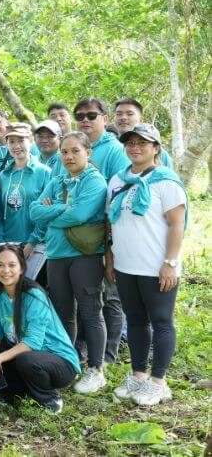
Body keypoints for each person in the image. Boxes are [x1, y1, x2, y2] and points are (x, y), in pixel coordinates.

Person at [107, 123, 187, 406]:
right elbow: (112, 223)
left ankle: (158, 382)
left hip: (156, 267)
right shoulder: (118, 181)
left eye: (142, 142)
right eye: (130, 143)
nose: (135, 147)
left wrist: (171, 262)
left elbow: (177, 224)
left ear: (156, 148)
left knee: (162, 322)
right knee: (137, 321)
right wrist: (111, 259)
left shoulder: (166, 180)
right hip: (127, 266)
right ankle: (138, 374)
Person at [30, 131, 108, 394]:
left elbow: (81, 214)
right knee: (63, 312)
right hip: (57, 255)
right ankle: (68, 362)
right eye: (64, 151)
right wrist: (62, 211)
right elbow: (33, 212)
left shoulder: (95, 182)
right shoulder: (57, 180)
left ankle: (96, 369)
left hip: (85, 255)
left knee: (90, 311)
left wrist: (53, 212)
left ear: (88, 153)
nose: (69, 156)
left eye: (75, 151)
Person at [0, 245, 80, 414]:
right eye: (0, 265)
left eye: (11, 265)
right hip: (26, 356)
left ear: (22, 267)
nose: (5, 270)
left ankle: (50, 398)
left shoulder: (33, 295)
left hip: (60, 363)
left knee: (26, 359)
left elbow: (32, 342)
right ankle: (10, 395)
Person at [73, 98, 130, 363]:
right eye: (80, 115)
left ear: (104, 119)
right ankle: (85, 348)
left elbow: (120, 192)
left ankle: (109, 354)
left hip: (108, 231)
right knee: (88, 296)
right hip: (82, 237)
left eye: (91, 115)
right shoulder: (75, 146)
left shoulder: (115, 150)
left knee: (111, 295)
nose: (85, 120)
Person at [0, 123, 51, 280]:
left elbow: (46, 213)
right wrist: (0, 241)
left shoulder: (44, 172)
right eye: (11, 141)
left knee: (31, 290)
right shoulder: (3, 175)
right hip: (8, 244)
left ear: (31, 140)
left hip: (35, 245)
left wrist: (32, 242)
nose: (16, 146)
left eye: (20, 140)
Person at [112, 99, 174, 168]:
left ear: (141, 120)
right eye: (118, 114)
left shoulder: (157, 152)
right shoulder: (110, 147)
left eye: (130, 114)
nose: (123, 118)